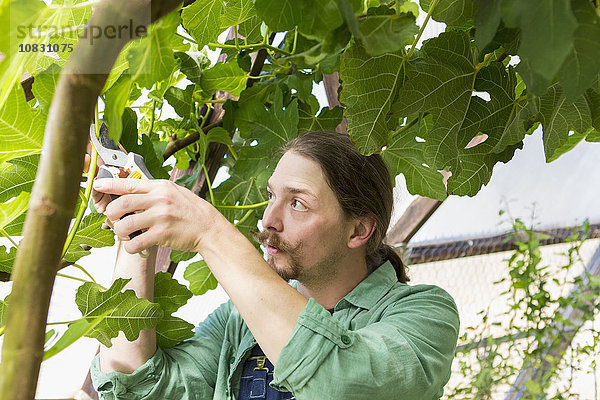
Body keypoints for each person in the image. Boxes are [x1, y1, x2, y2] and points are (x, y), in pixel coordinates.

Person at [89, 130, 460, 399]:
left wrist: (209, 230)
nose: (269, 220)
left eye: (297, 203)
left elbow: (340, 381)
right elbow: (139, 386)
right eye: (271, 196)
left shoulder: (424, 314)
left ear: (359, 229)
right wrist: (134, 229)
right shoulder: (236, 321)